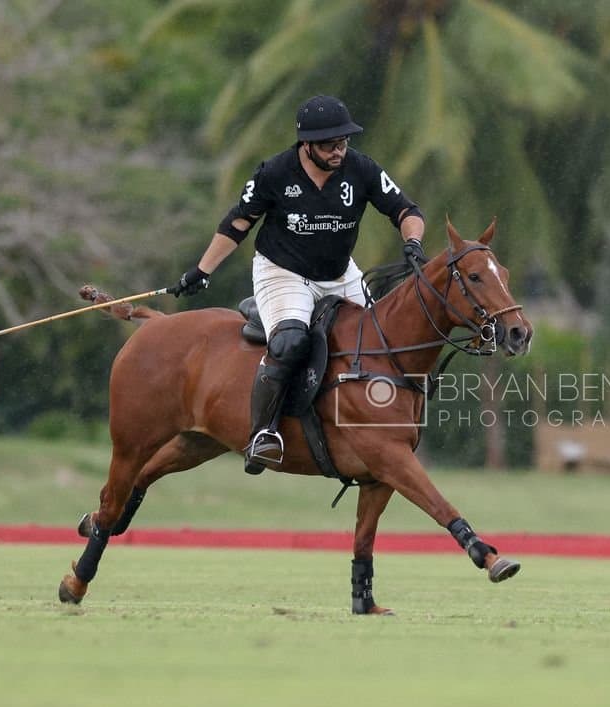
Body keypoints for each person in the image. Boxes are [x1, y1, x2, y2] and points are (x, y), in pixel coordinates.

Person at [172, 94, 427, 475]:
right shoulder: (275, 173)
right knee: (290, 341)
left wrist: (413, 242)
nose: (339, 150)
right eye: (329, 144)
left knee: (379, 342)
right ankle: (263, 434)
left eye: (343, 142)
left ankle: (377, 429)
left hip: (340, 274)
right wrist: (202, 270)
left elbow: (407, 210)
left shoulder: (361, 169)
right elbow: (237, 223)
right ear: (306, 144)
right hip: (283, 272)